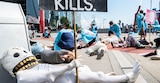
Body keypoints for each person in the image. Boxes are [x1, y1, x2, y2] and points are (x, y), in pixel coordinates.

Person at [2, 46, 141, 83]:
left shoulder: (31, 67)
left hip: (70, 74)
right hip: (70, 76)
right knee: (98, 76)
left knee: (94, 75)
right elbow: (49, 76)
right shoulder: (22, 77)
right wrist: (70, 66)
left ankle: (107, 78)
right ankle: (128, 77)